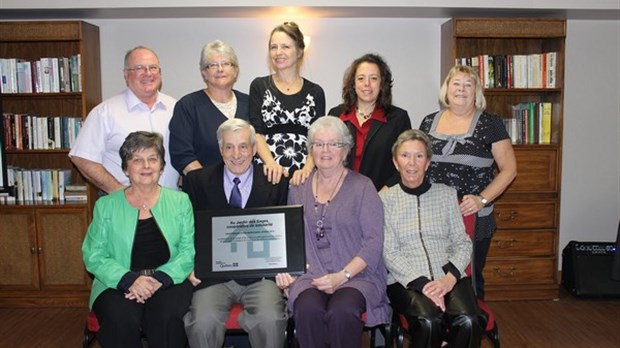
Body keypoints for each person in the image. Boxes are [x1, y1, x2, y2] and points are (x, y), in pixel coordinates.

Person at [275, 116, 390, 348]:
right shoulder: (298, 187)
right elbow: (288, 236)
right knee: (307, 309)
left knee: (342, 311)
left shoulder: (363, 186)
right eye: (318, 144)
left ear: (345, 150)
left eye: (333, 144)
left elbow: (373, 242)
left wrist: (342, 276)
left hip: (357, 275)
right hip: (310, 274)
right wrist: (287, 273)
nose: (325, 150)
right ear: (311, 150)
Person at [182, 118, 289, 348]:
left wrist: (287, 268)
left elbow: (284, 232)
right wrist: (189, 265)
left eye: (243, 146)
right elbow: (187, 230)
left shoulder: (275, 181)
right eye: (229, 147)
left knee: (270, 319)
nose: (236, 154)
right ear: (221, 150)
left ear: (253, 149)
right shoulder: (197, 181)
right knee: (202, 321)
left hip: (261, 277)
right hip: (213, 278)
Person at [82, 131, 194, 348]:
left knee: (166, 317)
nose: (146, 166)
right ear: (125, 168)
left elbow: (188, 251)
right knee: (120, 318)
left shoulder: (181, 201)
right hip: (115, 283)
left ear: (161, 167)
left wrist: (159, 279)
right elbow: (94, 254)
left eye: (153, 159)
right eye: (137, 160)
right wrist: (129, 280)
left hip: (169, 281)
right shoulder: (106, 205)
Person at [419, 65, 517, 299]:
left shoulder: (490, 124)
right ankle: (439, 332)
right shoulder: (428, 122)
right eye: (456, 83)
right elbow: (418, 164)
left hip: (472, 217)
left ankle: (470, 328)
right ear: (446, 89)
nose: (461, 89)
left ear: (476, 92)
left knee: (469, 278)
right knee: (434, 273)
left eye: (468, 84)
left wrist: (482, 200)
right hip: (435, 217)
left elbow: (509, 169)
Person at [381, 129, 480, 348]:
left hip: (448, 275)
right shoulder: (385, 199)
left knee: (469, 321)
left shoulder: (446, 194)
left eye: (419, 156)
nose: (412, 163)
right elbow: (389, 252)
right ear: (396, 162)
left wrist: (449, 279)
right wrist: (425, 285)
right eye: (405, 156)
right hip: (406, 279)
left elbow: (462, 242)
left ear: (428, 162)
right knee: (428, 320)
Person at [69, 46, 179, 193]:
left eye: (153, 67)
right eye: (139, 68)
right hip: (124, 207)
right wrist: (120, 193)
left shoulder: (177, 108)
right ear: (126, 74)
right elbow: (82, 158)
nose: (148, 73)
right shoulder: (105, 113)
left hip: (171, 204)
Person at [249, 21, 325, 185]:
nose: (278, 52)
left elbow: (318, 138)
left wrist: (307, 169)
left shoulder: (316, 91)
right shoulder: (259, 86)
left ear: (299, 51)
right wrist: (270, 163)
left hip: (304, 175)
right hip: (267, 171)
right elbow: (256, 132)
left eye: (285, 46)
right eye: (273, 47)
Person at [328, 53, 411, 191]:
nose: (367, 84)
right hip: (340, 194)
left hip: (382, 196)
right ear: (353, 84)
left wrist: (385, 190)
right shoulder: (336, 115)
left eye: (373, 78)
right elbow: (326, 157)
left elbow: (406, 162)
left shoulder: (398, 119)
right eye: (361, 78)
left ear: (382, 84)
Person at [169, 40, 249, 176]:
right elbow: (182, 154)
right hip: (203, 191)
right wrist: (209, 185)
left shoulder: (249, 103)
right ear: (204, 73)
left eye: (226, 63)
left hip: (247, 190)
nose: (220, 69)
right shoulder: (188, 105)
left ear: (235, 70)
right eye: (213, 65)